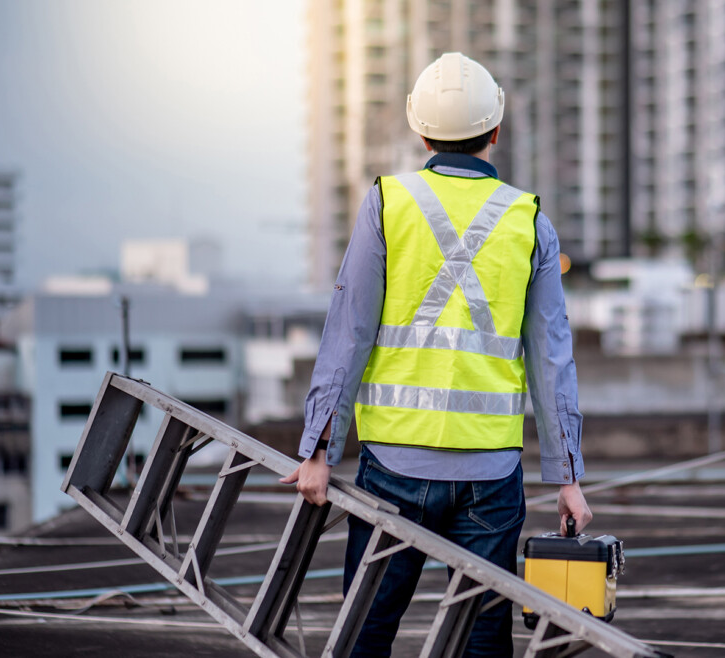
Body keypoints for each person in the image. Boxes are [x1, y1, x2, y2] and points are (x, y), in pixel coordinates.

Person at [281, 52, 591, 657]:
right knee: (482, 642)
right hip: (490, 474)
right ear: (495, 129)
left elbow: (348, 332)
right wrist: (569, 478)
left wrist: (318, 448)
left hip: (392, 466)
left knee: (365, 634)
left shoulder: (387, 202)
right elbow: (552, 360)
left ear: (419, 132)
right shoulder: (529, 219)